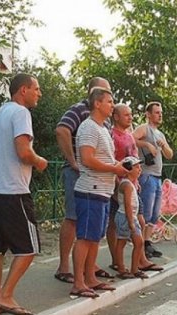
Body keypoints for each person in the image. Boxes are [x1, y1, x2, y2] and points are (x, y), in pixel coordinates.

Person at [0, 73, 47, 315]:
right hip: (14, 190)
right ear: (23, 90)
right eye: (36, 88)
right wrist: (39, 161)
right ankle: (6, 295)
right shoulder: (21, 113)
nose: (39, 93)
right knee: (29, 248)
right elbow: (23, 151)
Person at [54, 77, 113, 284]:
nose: (110, 98)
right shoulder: (79, 110)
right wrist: (73, 161)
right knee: (74, 218)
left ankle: (89, 268)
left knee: (93, 227)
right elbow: (62, 129)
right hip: (81, 175)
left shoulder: (104, 120)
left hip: (100, 180)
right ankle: (65, 267)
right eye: (105, 93)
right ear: (94, 95)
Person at [70, 87, 125, 298]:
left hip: (102, 190)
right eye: (109, 102)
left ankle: (91, 278)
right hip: (90, 189)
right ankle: (78, 282)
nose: (112, 105)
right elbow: (87, 159)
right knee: (84, 237)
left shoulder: (103, 128)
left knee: (95, 236)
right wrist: (114, 168)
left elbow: (105, 159)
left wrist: (120, 166)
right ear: (97, 104)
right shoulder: (89, 128)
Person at [107, 104, 163, 275]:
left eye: (131, 115)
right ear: (116, 117)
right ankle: (118, 262)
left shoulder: (129, 136)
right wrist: (118, 184)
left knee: (140, 221)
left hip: (133, 184)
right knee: (116, 224)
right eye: (126, 115)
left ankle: (140, 261)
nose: (130, 118)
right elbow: (112, 160)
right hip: (119, 184)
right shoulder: (112, 135)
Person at [133, 102, 173, 259]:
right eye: (157, 112)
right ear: (148, 114)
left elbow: (170, 155)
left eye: (161, 112)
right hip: (147, 175)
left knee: (155, 214)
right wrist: (146, 144)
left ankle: (147, 243)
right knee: (146, 212)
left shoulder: (160, 134)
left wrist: (163, 146)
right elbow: (130, 139)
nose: (160, 115)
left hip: (157, 176)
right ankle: (140, 245)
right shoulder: (145, 128)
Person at [113, 156, 149, 279]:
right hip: (125, 217)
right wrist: (131, 222)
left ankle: (135, 268)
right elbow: (127, 204)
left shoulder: (130, 184)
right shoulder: (127, 185)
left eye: (140, 167)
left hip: (131, 217)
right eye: (136, 167)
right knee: (122, 242)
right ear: (128, 169)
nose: (140, 169)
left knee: (139, 242)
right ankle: (121, 268)